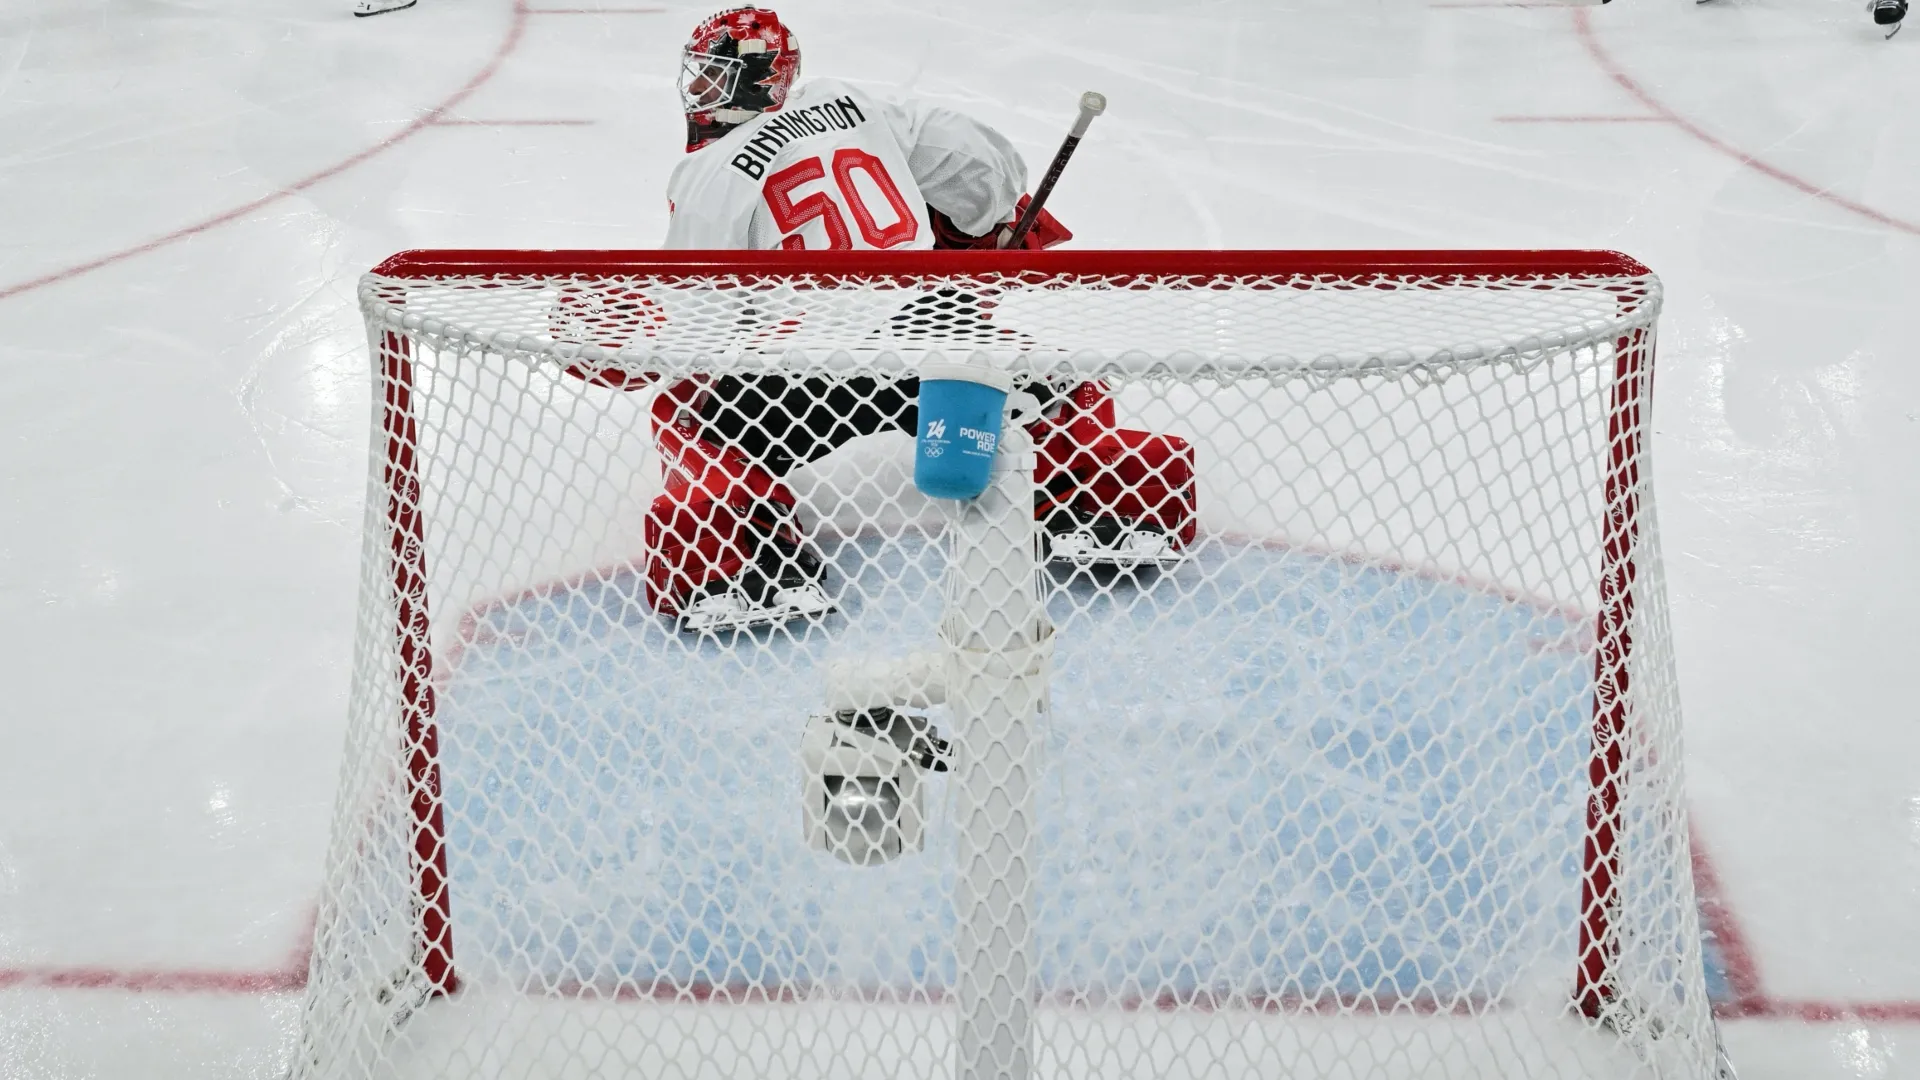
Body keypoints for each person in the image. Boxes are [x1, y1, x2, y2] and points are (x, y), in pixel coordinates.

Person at [571, 5, 1191, 633]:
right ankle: (1100, 492)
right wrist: (984, 224)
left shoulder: (708, 172)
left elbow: (698, 324)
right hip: (934, 336)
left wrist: (629, 342)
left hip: (809, 374)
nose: (700, 90)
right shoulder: (848, 101)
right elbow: (969, 154)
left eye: (714, 76)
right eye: (699, 76)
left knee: (685, 415)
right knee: (1058, 384)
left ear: (755, 80)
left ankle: (740, 553)